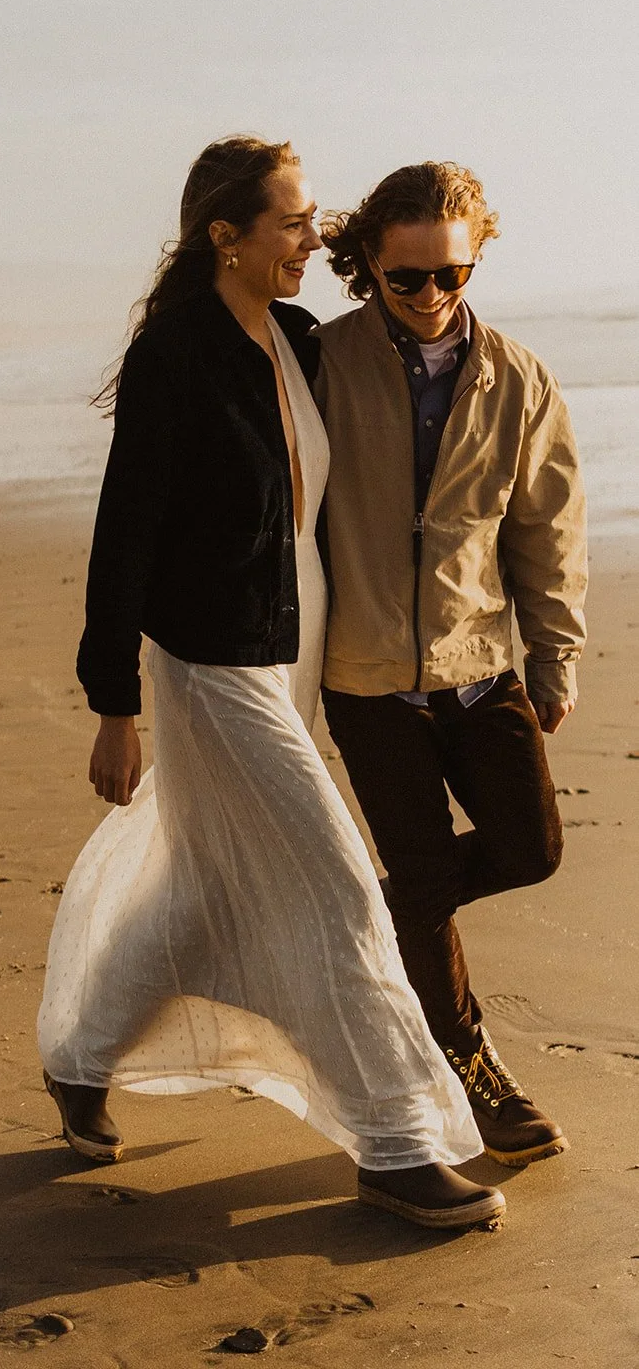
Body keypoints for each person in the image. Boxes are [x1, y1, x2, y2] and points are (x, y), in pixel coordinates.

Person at [37, 135, 502, 1231]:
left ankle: (82, 1054)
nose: (315, 235)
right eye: (294, 221)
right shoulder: (176, 357)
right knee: (342, 883)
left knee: (202, 892)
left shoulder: (292, 334)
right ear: (225, 237)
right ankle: (395, 1143)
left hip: (293, 647)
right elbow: (126, 536)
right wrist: (115, 701)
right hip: (210, 667)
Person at [316, 162, 588, 1167]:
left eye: (452, 274)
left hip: (480, 667)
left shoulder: (519, 376)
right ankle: (473, 1066)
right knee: (429, 868)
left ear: (477, 256)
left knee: (532, 848)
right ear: (368, 266)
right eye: (406, 279)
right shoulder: (322, 364)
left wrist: (554, 655)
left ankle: (387, 913)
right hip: (368, 679)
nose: (432, 297)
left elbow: (547, 528)